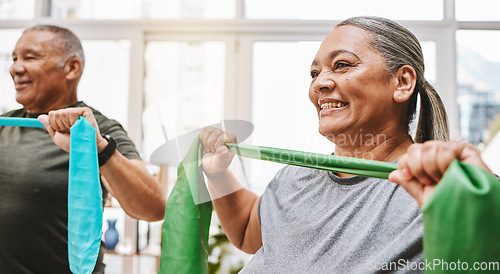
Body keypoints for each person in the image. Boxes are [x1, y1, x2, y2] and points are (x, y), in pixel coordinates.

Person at [199, 16, 495, 273]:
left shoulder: (440, 186)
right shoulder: (296, 176)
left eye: (342, 65)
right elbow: (250, 230)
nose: (319, 84)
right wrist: (218, 174)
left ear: (402, 82)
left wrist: (479, 203)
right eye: (315, 73)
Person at [0, 25, 166, 273]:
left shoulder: (96, 130)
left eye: (30, 57)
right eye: (14, 59)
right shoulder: (6, 124)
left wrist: (100, 148)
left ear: (72, 68)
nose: (15, 68)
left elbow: (153, 207)